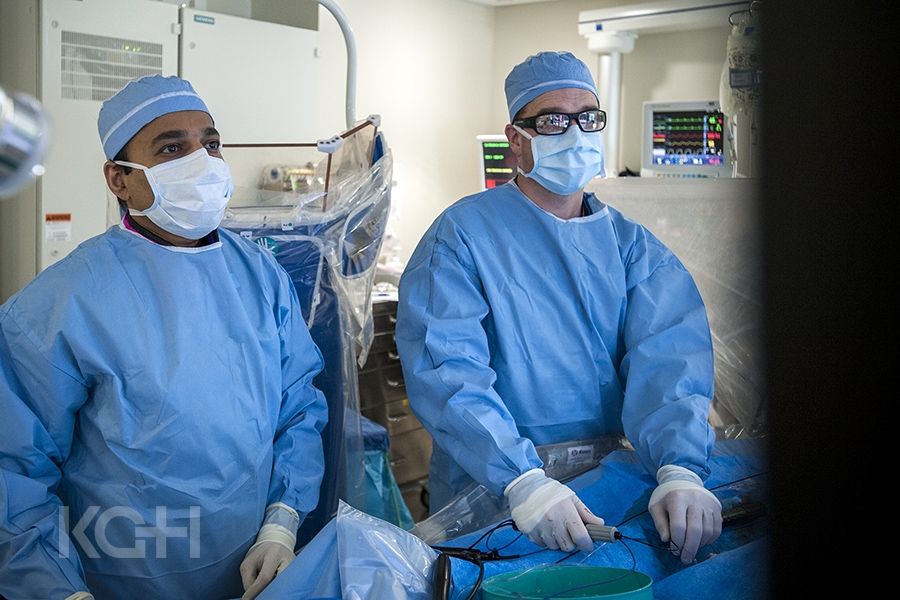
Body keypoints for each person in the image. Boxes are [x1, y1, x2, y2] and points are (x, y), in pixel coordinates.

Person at [0, 75, 328, 599]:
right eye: (172, 148)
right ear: (119, 180)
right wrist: (55, 590)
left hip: (250, 567)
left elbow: (299, 407)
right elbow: (11, 469)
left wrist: (281, 523)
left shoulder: (261, 277)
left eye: (210, 143)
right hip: (123, 577)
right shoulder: (61, 304)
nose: (202, 161)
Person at [396, 51, 722, 564]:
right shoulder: (461, 238)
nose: (574, 132)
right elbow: (448, 373)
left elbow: (671, 363)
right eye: (552, 120)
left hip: (611, 482)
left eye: (587, 118)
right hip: (495, 493)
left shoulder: (632, 247)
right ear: (515, 138)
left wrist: (678, 469)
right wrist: (523, 481)